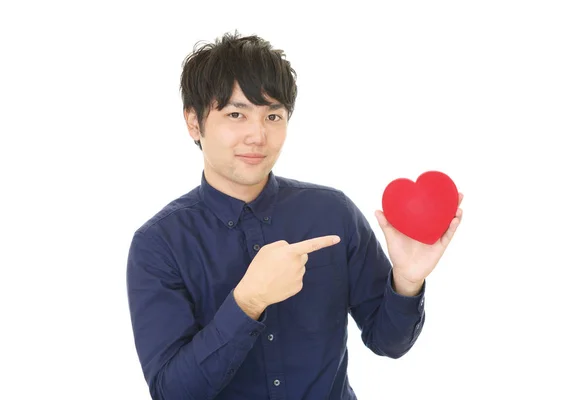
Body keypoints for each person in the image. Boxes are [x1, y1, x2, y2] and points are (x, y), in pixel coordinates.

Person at [126, 30, 463, 400]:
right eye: (236, 114)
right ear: (194, 122)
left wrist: (407, 282)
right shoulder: (159, 244)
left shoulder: (333, 214)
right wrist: (248, 302)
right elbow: (172, 391)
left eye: (273, 115)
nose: (258, 135)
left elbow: (389, 342)